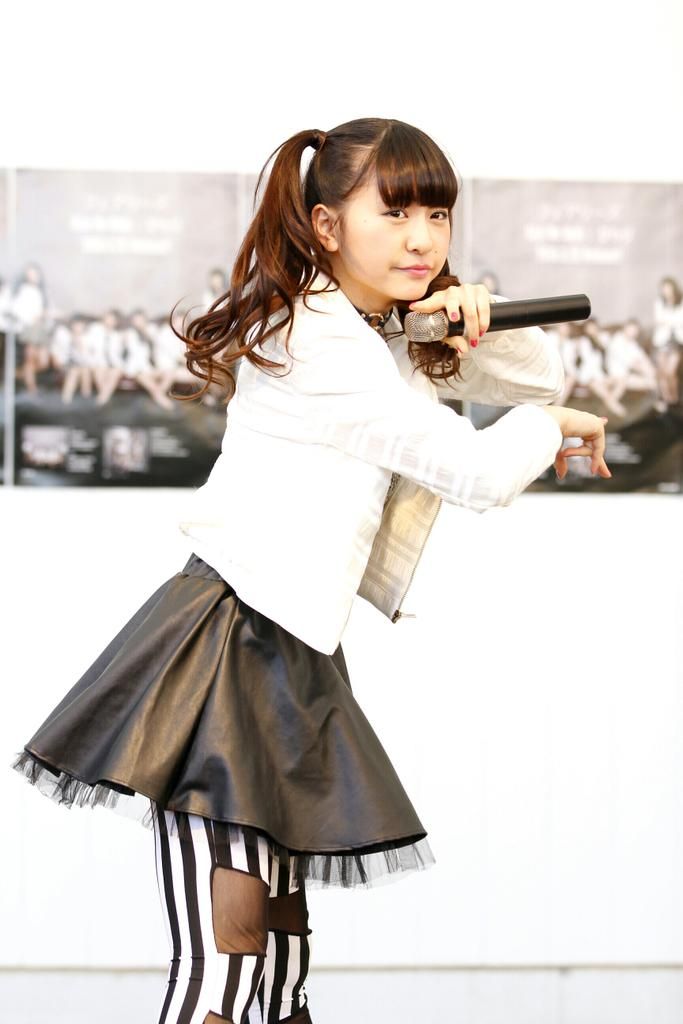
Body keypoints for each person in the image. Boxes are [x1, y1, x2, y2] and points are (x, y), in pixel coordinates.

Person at [10, 117, 611, 1024]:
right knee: (226, 969)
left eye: (437, 215)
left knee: (281, 966)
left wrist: (473, 313)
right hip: (224, 649)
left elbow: (529, 382)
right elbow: (480, 469)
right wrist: (553, 426)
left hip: (291, 649)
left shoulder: (382, 332)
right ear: (326, 226)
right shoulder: (316, 338)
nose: (421, 238)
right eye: (395, 212)